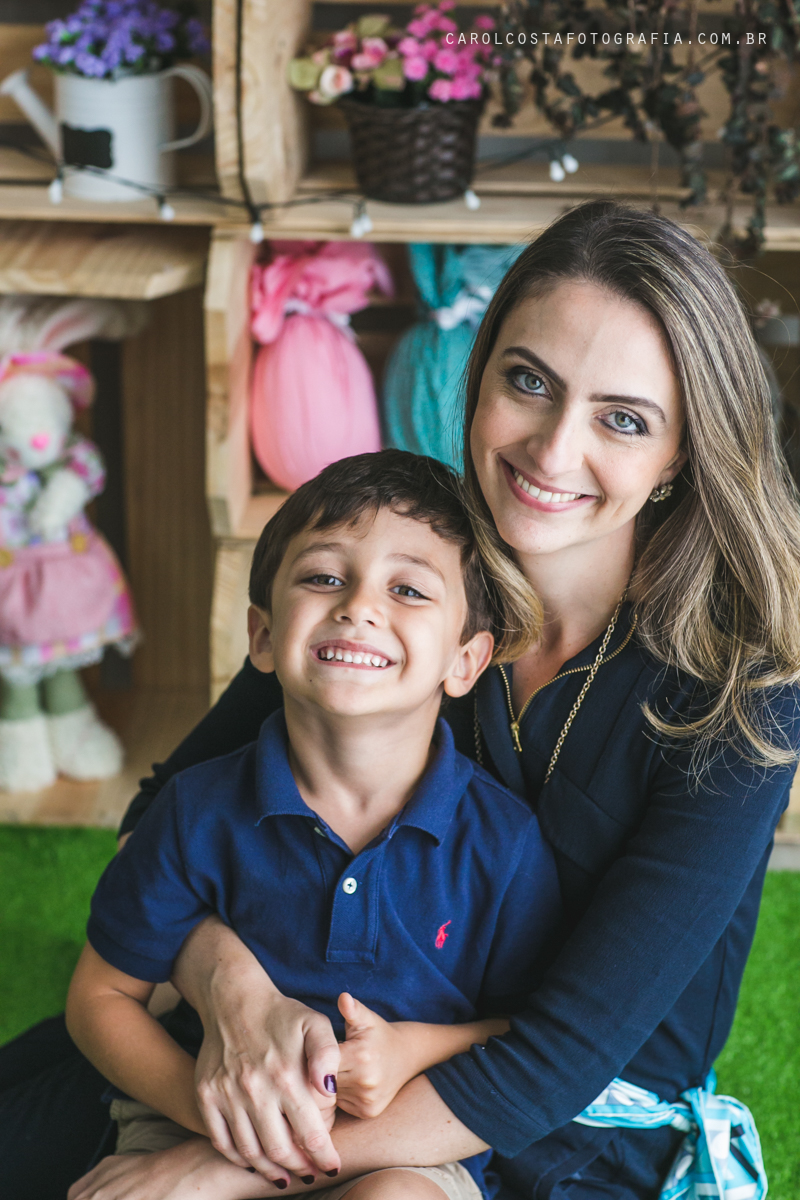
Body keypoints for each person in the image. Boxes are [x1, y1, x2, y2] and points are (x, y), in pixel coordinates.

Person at [3, 199, 800, 1200]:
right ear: (478, 380)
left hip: (558, 1123)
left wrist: (219, 1165)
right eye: (527, 382)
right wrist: (234, 993)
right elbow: (157, 826)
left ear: (680, 452)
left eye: (621, 419)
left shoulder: (739, 699)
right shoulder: (397, 571)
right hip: (312, 1048)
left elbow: (557, 1061)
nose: (552, 452)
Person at [64, 449, 563, 1200]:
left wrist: (411, 1049)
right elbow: (100, 999)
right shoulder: (196, 810)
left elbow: (528, 1032)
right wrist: (219, 1121)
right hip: (195, 1125)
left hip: (399, 1149)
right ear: (262, 636)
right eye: (324, 577)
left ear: (465, 661)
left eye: (408, 588)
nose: (358, 606)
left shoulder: (502, 843)